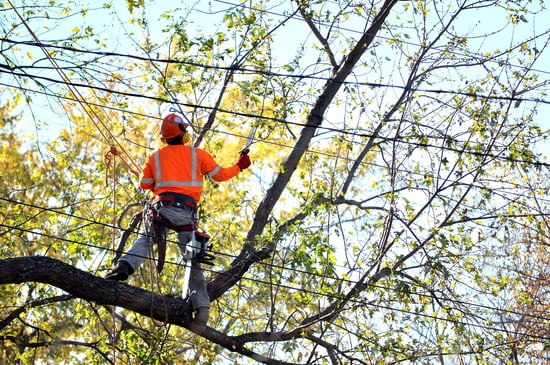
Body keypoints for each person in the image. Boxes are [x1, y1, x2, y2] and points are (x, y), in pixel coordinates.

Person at [105, 113, 251, 329]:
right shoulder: (198, 155)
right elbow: (220, 175)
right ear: (183, 134)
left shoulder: (154, 157)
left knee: (146, 240)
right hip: (185, 212)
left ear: (164, 138)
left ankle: (123, 268)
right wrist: (240, 165)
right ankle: (202, 308)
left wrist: (158, 178)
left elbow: (145, 184)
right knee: (191, 256)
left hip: (161, 209)